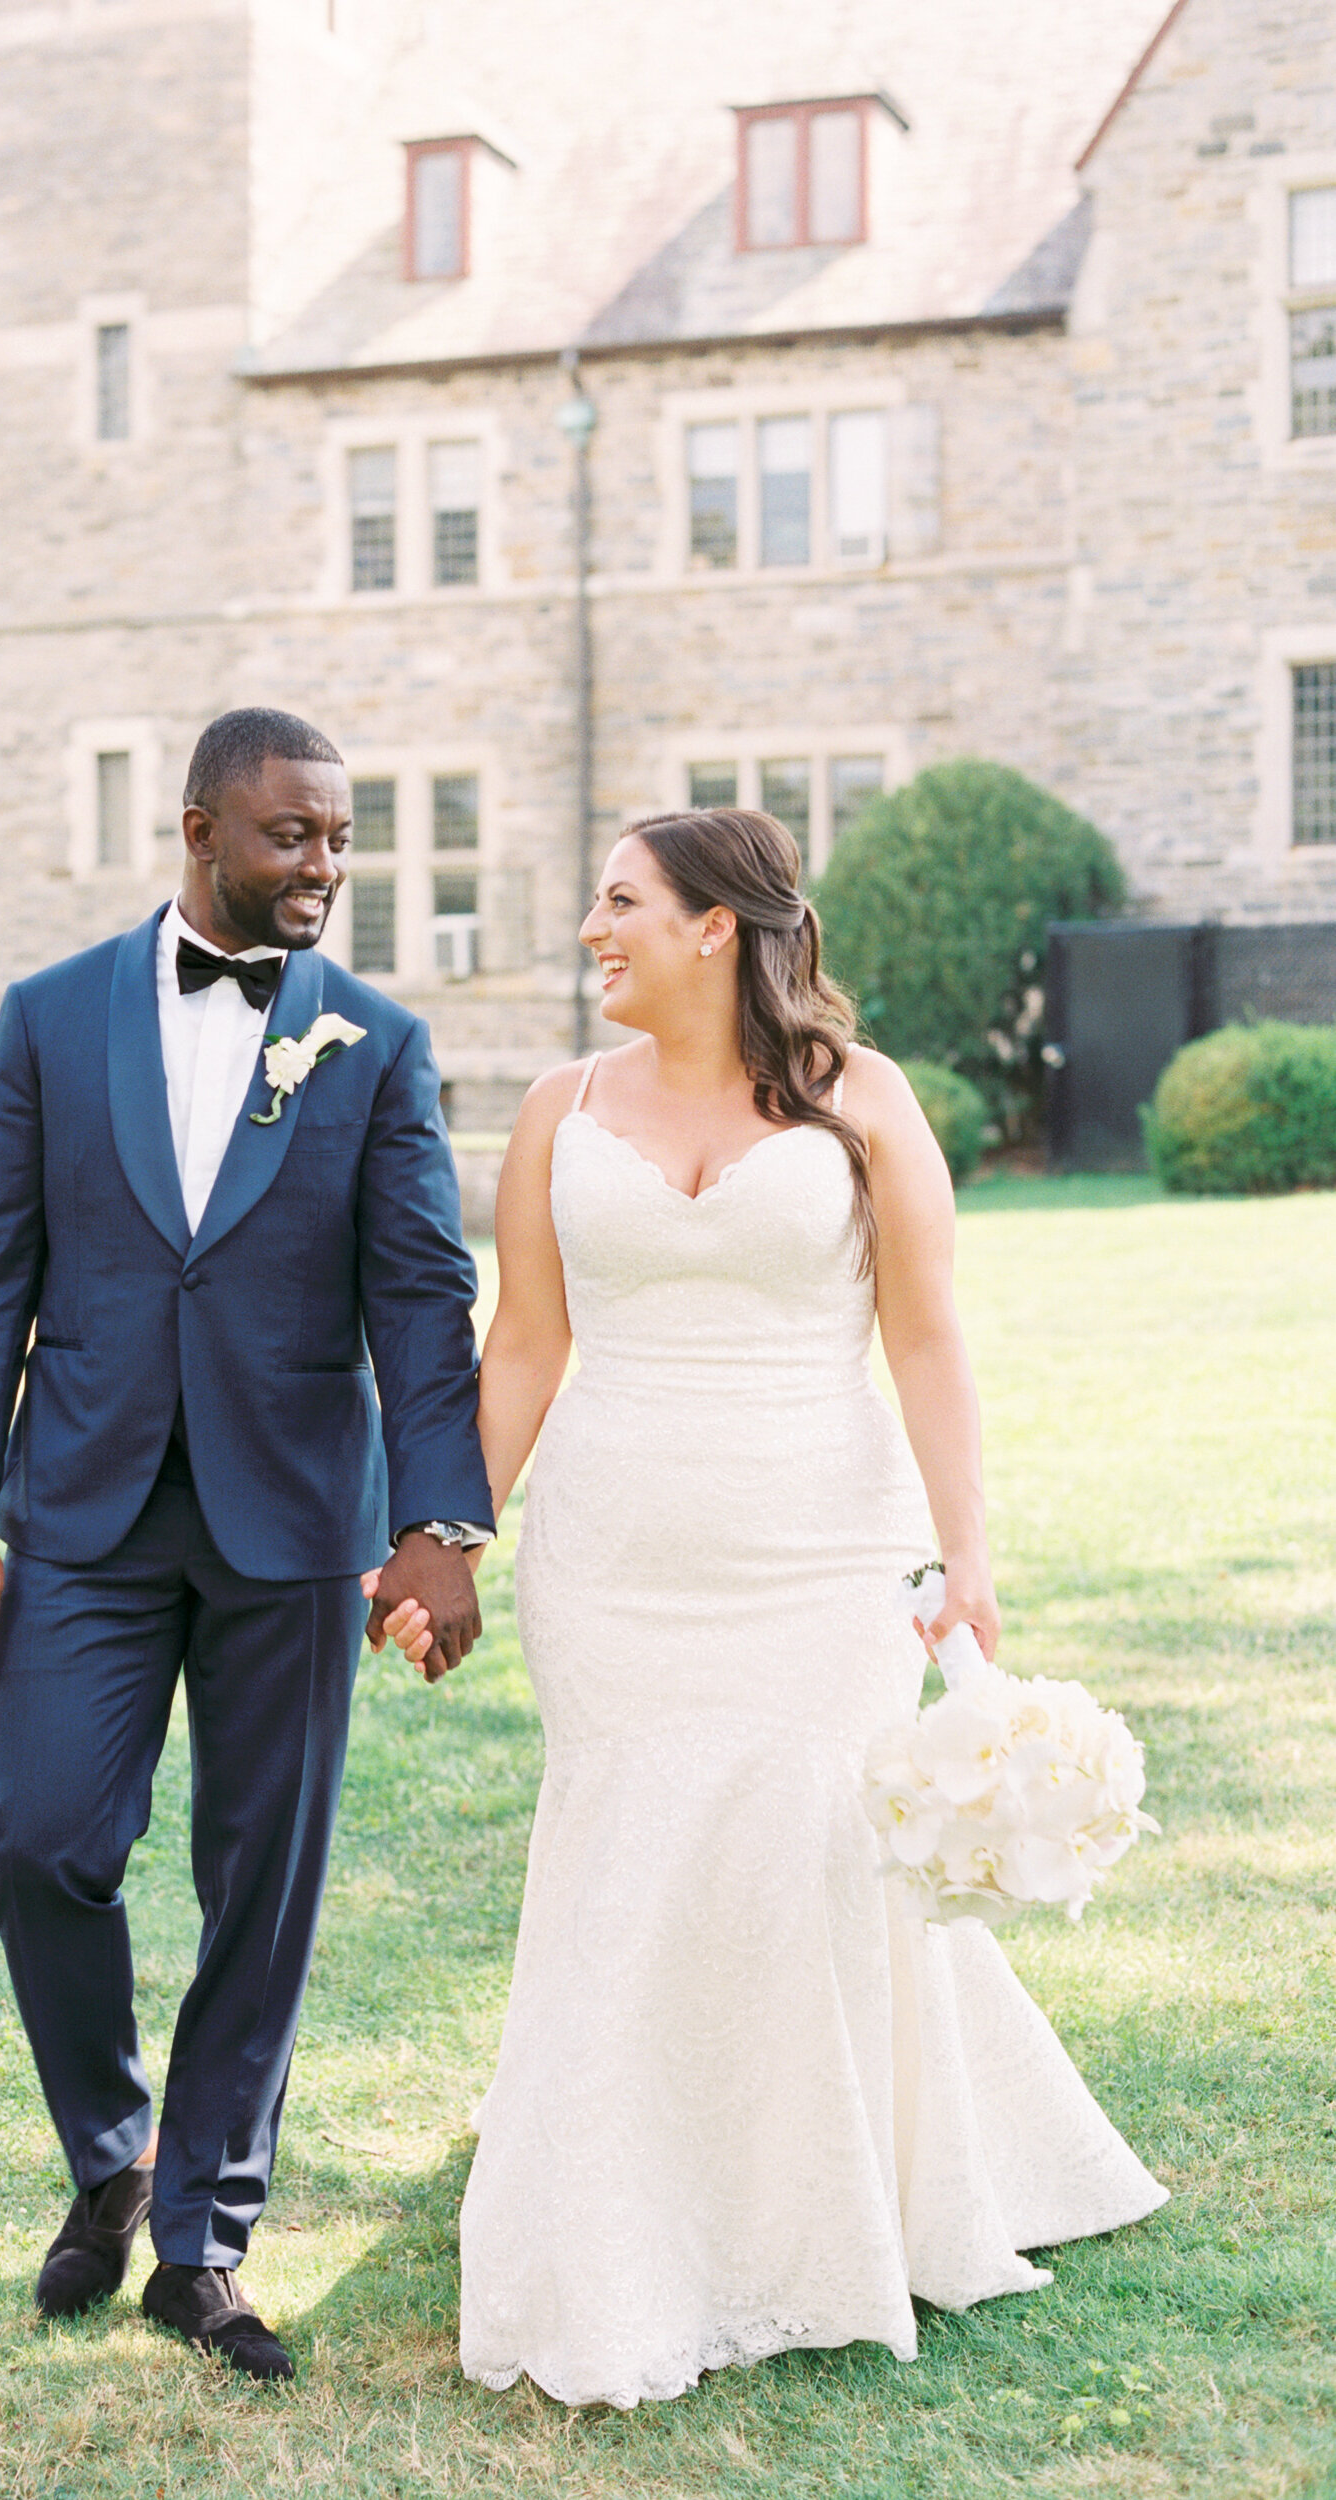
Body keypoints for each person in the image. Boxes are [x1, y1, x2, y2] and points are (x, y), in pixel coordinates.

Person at [388, 806, 1166, 2410]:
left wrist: (967, 1553)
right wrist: (444, 1537)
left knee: (809, 1849)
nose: (591, 930)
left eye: (619, 904)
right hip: (614, 1557)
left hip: (820, 1541)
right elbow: (524, 1342)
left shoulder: (855, 1100)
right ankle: (621, 2203)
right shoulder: (557, 1109)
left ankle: (826, 2199)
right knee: (633, 1844)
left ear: (712, 927)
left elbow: (928, 1338)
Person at [0, 708, 492, 2383]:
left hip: (294, 1524)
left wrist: (437, 1523)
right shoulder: (46, 1018)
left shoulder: (375, 1044)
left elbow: (419, 1293)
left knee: (265, 1886)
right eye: (289, 837)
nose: (321, 867)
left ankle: (205, 2244)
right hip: (81, 1519)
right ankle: (114, 2159)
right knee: (38, 1839)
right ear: (197, 831)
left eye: (337, 839)